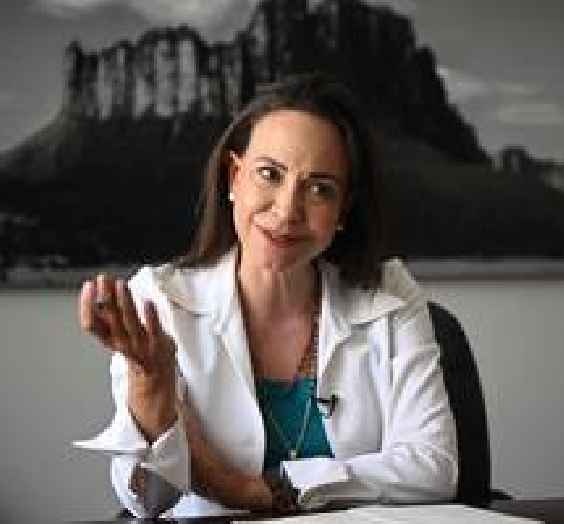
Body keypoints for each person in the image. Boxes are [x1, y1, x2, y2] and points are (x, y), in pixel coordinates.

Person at [75, 73, 458, 518]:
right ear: (234, 178)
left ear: (343, 210)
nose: (287, 210)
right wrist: (150, 386)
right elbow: (147, 502)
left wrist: (247, 488)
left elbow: (435, 469)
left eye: (319, 188)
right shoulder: (158, 300)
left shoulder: (391, 294)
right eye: (269, 174)